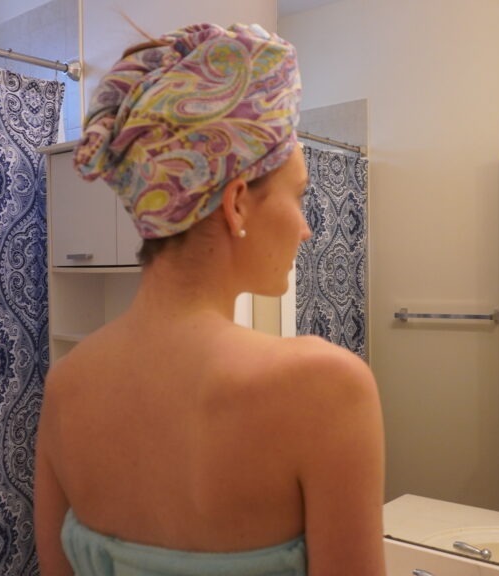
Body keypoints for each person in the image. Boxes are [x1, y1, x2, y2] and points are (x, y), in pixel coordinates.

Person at [33, 23, 386, 576]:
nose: (306, 229)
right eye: (298, 196)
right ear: (237, 203)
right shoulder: (327, 388)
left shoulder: (67, 384)